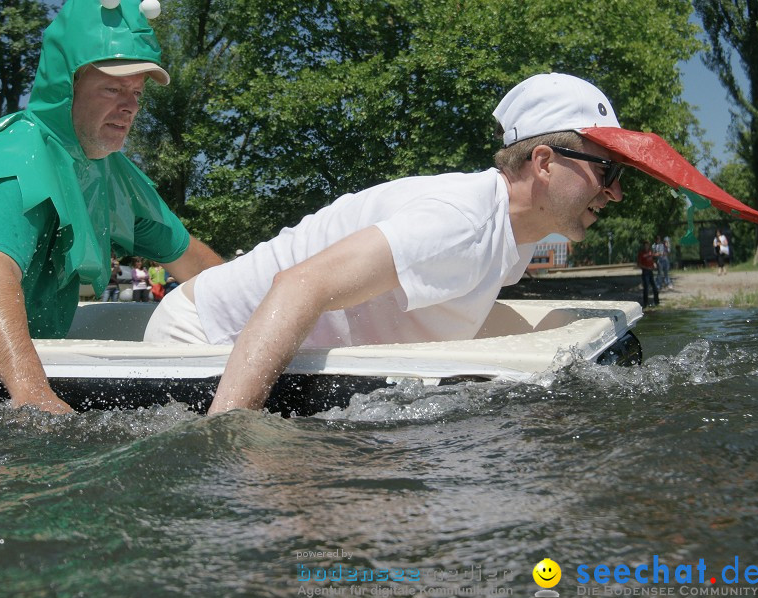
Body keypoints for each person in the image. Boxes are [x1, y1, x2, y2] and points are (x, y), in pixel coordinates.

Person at [145, 72, 631, 413]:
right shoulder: (460, 223)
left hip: (268, 342)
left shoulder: (512, 237)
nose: (615, 191)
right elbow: (300, 285)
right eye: (605, 169)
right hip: (204, 337)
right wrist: (232, 434)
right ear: (544, 163)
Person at [0, 0, 223, 413]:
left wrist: (270, 312)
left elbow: (197, 267)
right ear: (67, 85)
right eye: (112, 88)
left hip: (12, 368)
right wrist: (33, 394)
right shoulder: (12, 159)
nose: (129, 105)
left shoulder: (111, 174)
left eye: (136, 91)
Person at [637, 241, 660, 308]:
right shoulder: (641, 253)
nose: (646, 246)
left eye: (647, 245)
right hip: (645, 272)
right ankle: (645, 303)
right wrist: (646, 267)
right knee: (646, 288)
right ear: (644, 246)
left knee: (655, 287)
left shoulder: (650, 252)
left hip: (651, 272)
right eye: (645, 245)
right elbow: (639, 264)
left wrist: (654, 264)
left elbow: (653, 259)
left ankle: (657, 302)